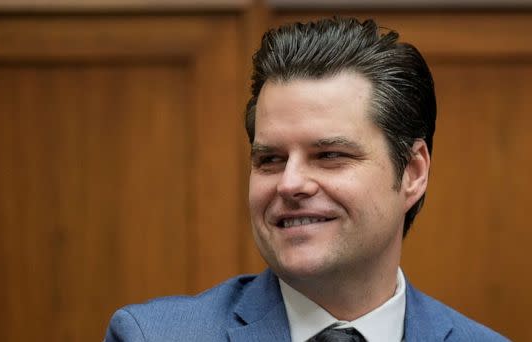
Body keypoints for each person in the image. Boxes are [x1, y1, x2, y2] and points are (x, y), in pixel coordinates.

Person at [104, 17, 508, 342]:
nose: (289, 183)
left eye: (329, 155)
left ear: (413, 172)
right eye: (270, 159)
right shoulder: (152, 336)